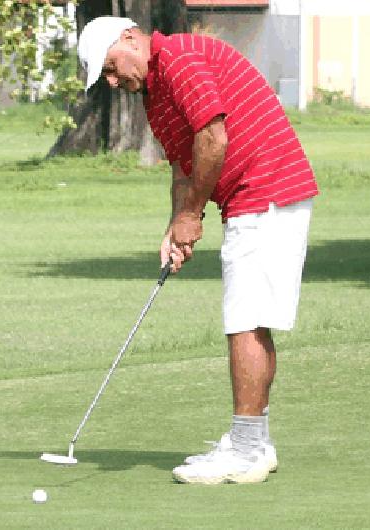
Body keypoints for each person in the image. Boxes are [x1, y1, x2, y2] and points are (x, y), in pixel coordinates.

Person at [77, 16, 319, 484]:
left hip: (265, 189)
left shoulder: (180, 59)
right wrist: (178, 222)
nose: (112, 82)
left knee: (245, 319)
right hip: (254, 196)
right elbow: (185, 166)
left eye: (110, 68)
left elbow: (214, 138)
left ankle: (246, 452)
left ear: (129, 38)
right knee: (250, 317)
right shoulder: (156, 93)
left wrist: (192, 217)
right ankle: (254, 441)